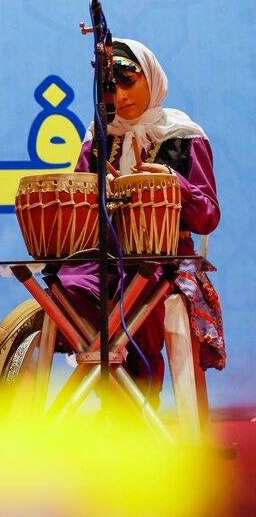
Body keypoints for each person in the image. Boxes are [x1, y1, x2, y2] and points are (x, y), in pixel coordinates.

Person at [57, 38, 223, 402]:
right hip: (109, 258)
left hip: (167, 261)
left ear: (152, 77)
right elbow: (82, 210)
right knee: (65, 286)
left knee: (139, 298)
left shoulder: (184, 136)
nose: (119, 97)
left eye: (128, 82)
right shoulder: (98, 138)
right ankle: (120, 403)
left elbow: (208, 216)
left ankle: (137, 406)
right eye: (110, 87)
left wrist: (174, 184)